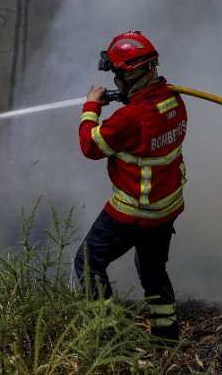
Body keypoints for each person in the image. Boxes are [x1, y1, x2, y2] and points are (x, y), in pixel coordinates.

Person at [73, 30, 188, 341]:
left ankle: (107, 336)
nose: (115, 83)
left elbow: (90, 146)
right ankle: (166, 337)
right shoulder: (174, 102)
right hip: (166, 209)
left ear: (131, 74)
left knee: (88, 261)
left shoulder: (130, 118)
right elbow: (147, 125)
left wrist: (90, 108)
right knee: (152, 269)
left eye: (117, 75)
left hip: (134, 211)